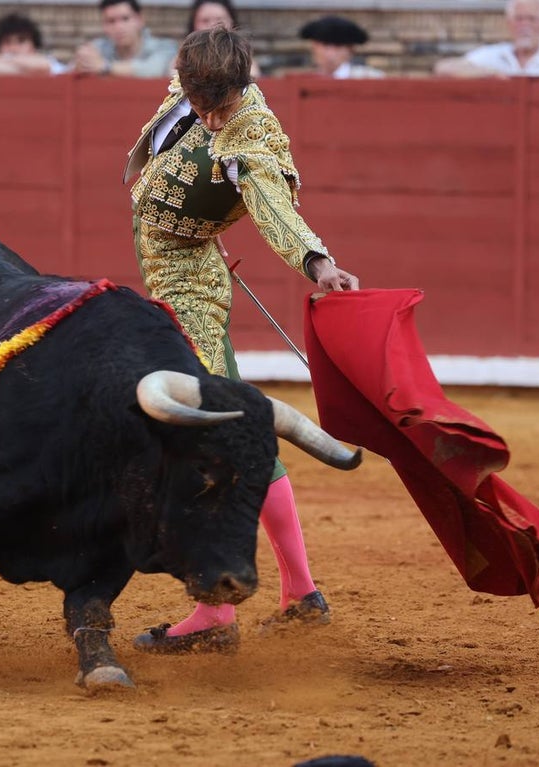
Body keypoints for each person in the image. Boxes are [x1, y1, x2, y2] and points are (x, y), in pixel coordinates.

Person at [123, 27, 360, 654]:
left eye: (218, 108)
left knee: (214, 430)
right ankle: (300, 594)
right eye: (201, 104)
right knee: (229, 425)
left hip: (190, 284)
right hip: (181, 261)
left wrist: (317, 264)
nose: (208, 117)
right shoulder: (196, 79)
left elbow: (273, 204)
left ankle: (216, 613)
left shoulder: (253, 133)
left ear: (241, 86)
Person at [433, 0, 539, 79]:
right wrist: (491, 73)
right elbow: (443, 68)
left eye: (532, 19)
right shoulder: (495, 54)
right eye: (519, 19)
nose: (525, 25)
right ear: (508, 24)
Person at [73, 0, 177, 78]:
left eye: (125, 19)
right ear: (103, 25)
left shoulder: (165, 47)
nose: (119, 27)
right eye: (111, 21)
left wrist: (105, 67)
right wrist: (82, 63)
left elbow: (154, 69)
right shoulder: (98, 48)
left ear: (140, 19)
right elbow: (70, 70)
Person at [179, 0, 260, 77]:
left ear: (232, 22)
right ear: (193, 25)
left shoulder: (246, 64)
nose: (213, 26)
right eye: (205, 21)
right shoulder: (180, 63)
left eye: (219, 20)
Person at [0, 12, 67, 76]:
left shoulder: (50, 63)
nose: (14, 48)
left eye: (21, 41)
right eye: (7, 42)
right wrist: (25, 69)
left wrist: (7, 60)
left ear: (33, 45)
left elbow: (43, 66)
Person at [298, 15, 384, 79]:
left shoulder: (370, 78)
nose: (330, 54)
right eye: (325, 46)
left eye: (337, 47)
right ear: (314, 47)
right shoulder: (301, 82)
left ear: (350, 50)